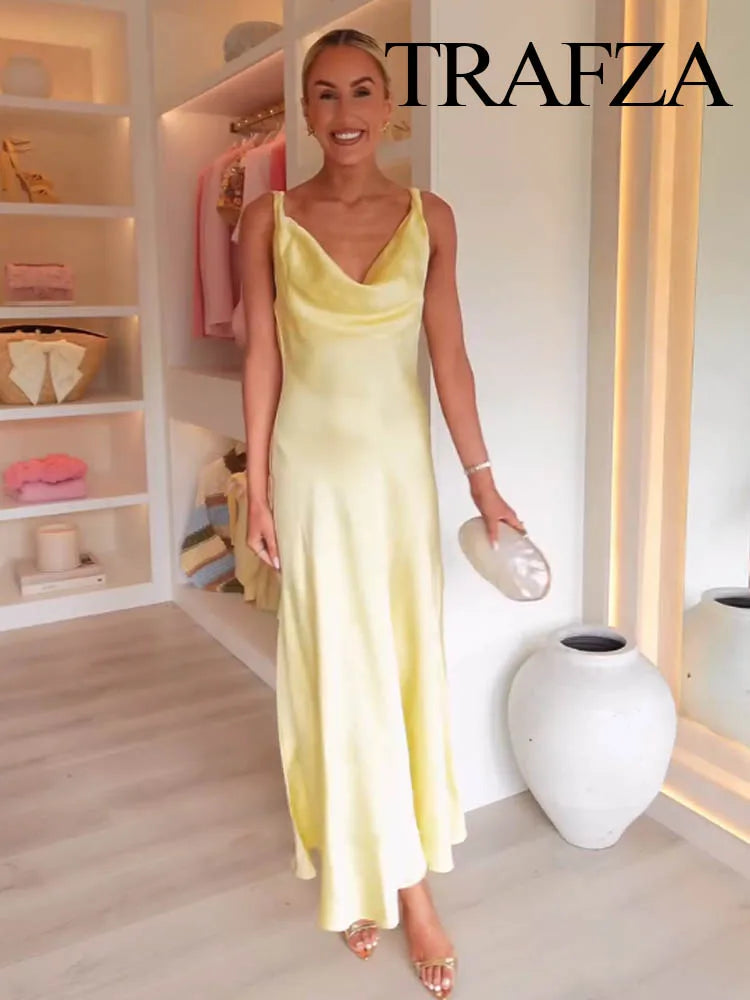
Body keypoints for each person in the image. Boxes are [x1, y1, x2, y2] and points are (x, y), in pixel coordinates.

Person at [239, 27, 524, 999]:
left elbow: (451, 359)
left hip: (399, 486)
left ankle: (378, 870)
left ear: (390, 106)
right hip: (311, 478)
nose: (345, 111)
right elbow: (262, 357)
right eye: (325, 93)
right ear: (304, 110)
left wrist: (482, 480)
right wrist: (257, 489)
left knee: (396, 672)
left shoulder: (430, 216)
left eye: (363, 91)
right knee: (340, 676)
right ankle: (395, 888)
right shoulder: (266, 218)